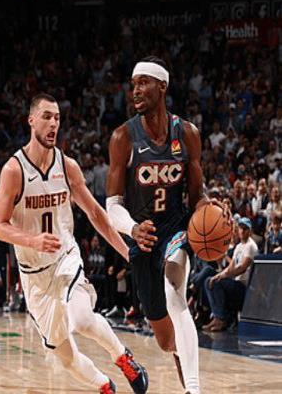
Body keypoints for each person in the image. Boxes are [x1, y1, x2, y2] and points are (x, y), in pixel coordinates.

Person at [0, 93, 148, 394]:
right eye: (47, 117)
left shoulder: (67, 166)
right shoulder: (14, 171)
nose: (53, 124)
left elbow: (96, 214)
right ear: (31, 120)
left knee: (82, 318)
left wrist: (129, 253)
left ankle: (123, 357)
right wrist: (32, 240)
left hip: (65, 259)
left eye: (57, 118)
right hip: (34, 275)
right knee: (64, 355)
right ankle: (105, 386)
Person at [106, 56, 226, 394]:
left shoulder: (187, 134)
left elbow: (196, 195)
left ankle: (193, 389)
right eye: (133, 85)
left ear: (162, 86)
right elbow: (112, 205)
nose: (135, 90)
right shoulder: (122, 137)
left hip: (176, 229)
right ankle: (178, 352)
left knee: (176, 294)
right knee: (164, 340)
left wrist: (210, 207)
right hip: (142, 238)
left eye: (143, 83)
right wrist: (132, 228)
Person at [204, 217, 258, 331]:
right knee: (209, 281)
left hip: (245, 287)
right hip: (236, 284)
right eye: (241, 228)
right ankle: (217, 316)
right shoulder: (239, 246)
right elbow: (231, 267)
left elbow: (242, 268)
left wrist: (222, 276)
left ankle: (221, 319)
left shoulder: (251, 246)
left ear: (250, 231)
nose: (242, 231)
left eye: (245, 229)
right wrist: (218, 275)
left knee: (218, 283)